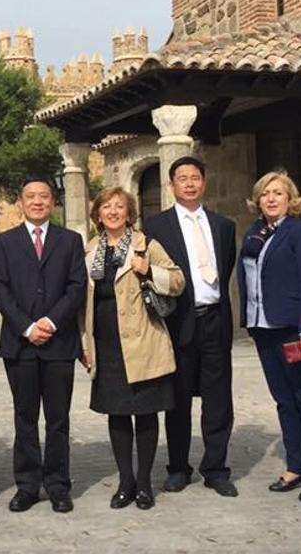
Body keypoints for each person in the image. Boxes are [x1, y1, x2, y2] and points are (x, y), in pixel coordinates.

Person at [81, 187, 185, 511]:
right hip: (107, 343)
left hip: (142, 341)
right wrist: (84, 343)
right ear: (97, 214)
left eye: (120, 207)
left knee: (146, 413)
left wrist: (149, 270)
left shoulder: (146, 245)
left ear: (129, 213)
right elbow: (81, 302)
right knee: (117, 414)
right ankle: (125, 482)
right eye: (107, 207)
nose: (113, 211)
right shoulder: (90, 249)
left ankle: (144, 483)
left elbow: (178, 280)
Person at [143, 156, 239, 497]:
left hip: (215, 319)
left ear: (204, 182)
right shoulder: (156, 227)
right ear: (172, 186)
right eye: (181, 178)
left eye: (195, 177)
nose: (189, 183)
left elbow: (225, 270)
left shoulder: (223, 226)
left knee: (218, 399)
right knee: (178, 399)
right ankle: (178, 467)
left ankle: (216, 468)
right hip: (179, 321)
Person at [0, 177, 86, 513]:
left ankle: (58, 485)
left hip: (60, 343)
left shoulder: (70, 240)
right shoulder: (3, 243)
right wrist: (28, 327)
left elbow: (76, 287)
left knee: (58, 419)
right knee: (25, 417)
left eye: (44, 196)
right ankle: (28, 485)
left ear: (53, 201)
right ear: (20, 202)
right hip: (21, 345)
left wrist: (51, 322)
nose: (37, 202)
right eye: (30, 196)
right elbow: (1, 290)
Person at [238, 170, 301, 502]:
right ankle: (296, 466)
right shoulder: (254, 234)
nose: (272, 198)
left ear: (290, 199)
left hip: (294, 329)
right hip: (264, 329)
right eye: (265, 193)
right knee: (284, 401)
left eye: (278, 192)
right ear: (257, 200)